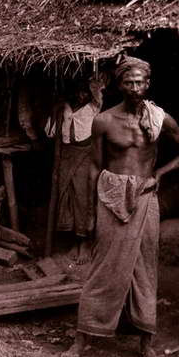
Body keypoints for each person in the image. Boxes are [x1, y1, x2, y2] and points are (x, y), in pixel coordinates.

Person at [61, 56, 179, 357]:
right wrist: (92, 214)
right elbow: (95, 166)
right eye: (128, 82)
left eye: (140, 82)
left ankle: (146, 344)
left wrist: (160, 174)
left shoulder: (159, 118)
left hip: (146, 199)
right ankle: (82, 339)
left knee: (145, 269)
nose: (135, 88)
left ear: (148, 83)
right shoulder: (104, 121)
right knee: (104, 267)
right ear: (119, 84)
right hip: (112, 198)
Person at [45, 76, 104, 263]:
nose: (82, 95)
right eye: (79, 92)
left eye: (85, 92)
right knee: (66, 196)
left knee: (83, 197)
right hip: (67, 156)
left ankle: (85, 243)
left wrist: (94, 87)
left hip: (85, 155)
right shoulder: (64, 108)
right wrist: (56, 112)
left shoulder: (94, 107)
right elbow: (50, 132)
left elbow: (98, 93)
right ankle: (73, 241)